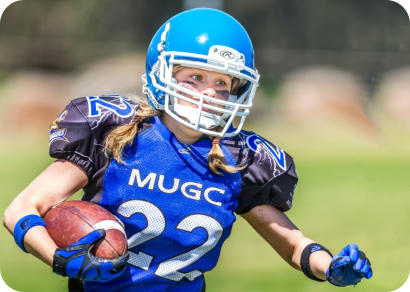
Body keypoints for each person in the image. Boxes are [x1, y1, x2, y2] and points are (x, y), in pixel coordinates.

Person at [3, 8, 372, 292]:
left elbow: (294, 245)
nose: (210, 92)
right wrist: (59, 259)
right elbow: (21, 209)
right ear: (162, 74)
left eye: (222, 83)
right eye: (195, 77)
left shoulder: (239, 161)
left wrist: (331, 267)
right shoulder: (117, 135)